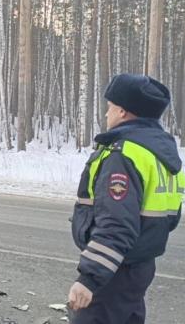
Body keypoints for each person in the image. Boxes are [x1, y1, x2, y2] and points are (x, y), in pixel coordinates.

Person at [68, 73, 184, 323]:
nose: (106, 114)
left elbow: (117, 225)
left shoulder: (124, 154)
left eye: (110, 107)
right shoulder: (159, 154)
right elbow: (170, 219)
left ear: (122, 112)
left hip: (114, 272)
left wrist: (89, 279)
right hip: (140, 266)